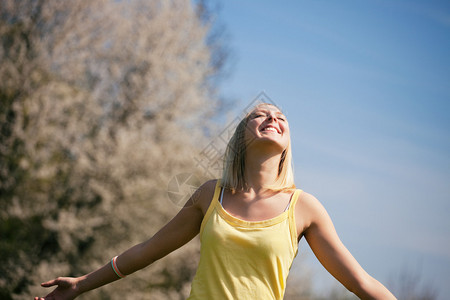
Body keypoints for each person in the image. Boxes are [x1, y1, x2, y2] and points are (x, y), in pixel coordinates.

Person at [35, 103, 396, 300]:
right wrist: (82, 284)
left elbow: (360, 284)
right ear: (241, 137)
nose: (273, 118)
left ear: (288, 140)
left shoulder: (304, 207)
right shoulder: (211, 194)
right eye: (261, 114)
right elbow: (147, 250)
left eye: (281, 117)